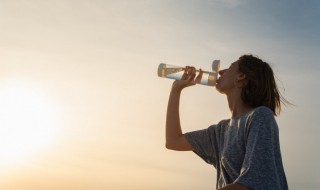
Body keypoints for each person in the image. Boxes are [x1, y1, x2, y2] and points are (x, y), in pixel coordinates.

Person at [165, 55, 289, 190]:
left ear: (241, 77)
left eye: (230, 67)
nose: (220, 72)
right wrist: (176, 89)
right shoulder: (221, 131)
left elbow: (254, 184)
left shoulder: (260, 117)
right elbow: (173, 141)